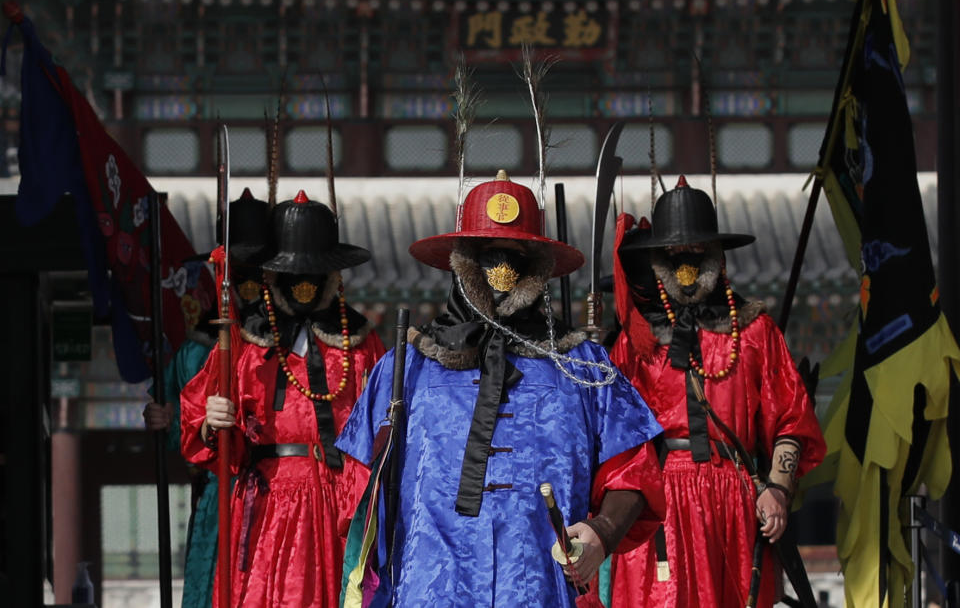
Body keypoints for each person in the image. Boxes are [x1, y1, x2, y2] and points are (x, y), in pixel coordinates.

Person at [336, 170, 665, 607]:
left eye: (516, 256)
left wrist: (602, 533)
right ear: (463, 263)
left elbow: (635, 470)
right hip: (428, 587)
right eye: (488, 255)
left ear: (538, 269)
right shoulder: (406, 364)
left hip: (541, 584)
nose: (502, 270)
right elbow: (351, 494)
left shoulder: (583, 367)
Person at [607, 176, 826, 607]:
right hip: (658, 504)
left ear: (716, 255)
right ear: (656, 260)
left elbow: (791, 421)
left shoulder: (755, 333)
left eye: (697, 251)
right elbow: (612, 439)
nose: (686, 262)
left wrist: (778, 490)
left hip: (737, 502)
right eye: (674, 254)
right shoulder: (636, 343)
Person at [180, 190, 385, 607]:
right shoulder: (243, 344)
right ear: (273, 275)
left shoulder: (361, 343)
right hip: (266, 500)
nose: (304, 284)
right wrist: (210, 421)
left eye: (314, 272)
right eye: (293, 273)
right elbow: (198, 419)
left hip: (338, 500)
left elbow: (386, 427)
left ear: (334, 275)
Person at [143, 188, 272, 608]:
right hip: (220, 490)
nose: (248, 286)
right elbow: (178, 429)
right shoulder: (197, 350)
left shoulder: (296, 346)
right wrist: (167, 418)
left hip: (283, 490)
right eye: (238, 272)